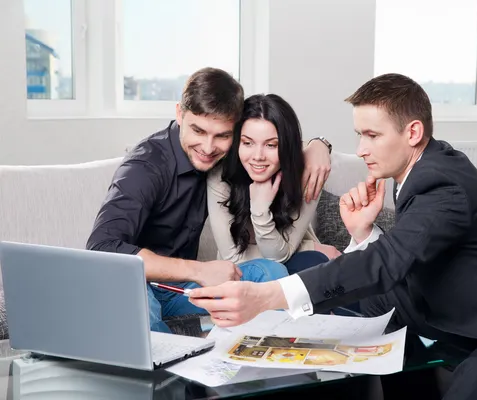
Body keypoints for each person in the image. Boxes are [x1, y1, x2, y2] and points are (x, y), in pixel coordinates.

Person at [188, 73, 477, 399]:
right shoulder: (417, 176)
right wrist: (363, 233)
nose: (362, 149)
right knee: (372, 323)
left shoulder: (443, 184)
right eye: (358, 135)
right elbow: (398, 264)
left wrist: (268, 296)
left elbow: (387, 264)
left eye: (371, 135)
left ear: (413, 132)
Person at [86, 67, 333, 334]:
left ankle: (259, 360)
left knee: (270, 273)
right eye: (198, 131)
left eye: (222, 136)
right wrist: (198, 270)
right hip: (139, 284)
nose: (207, 147)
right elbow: (101, 247)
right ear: (179, 113)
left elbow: (273, 141)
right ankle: (171, 365)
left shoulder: (228, 154)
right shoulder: (146, 166)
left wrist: (319, 146)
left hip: (181, 291)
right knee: (143, 308)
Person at [207, 93, 341, 274]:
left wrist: (320, 144)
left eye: (271, 145)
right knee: (313, 257)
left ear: (286, 146)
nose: (258, 156)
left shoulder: (308, 173)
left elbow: (280, 256)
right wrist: (309, 246)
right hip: (243, 277)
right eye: (247, 143)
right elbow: (234, 258)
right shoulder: (221, 177)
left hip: (297, 267)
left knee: (315, 263)